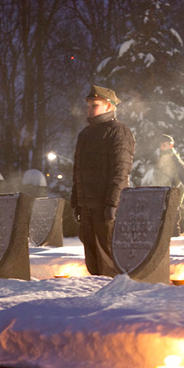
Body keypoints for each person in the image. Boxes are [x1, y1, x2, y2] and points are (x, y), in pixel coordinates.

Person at [71, 85, 135, 276]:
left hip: (105, 206)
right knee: (92, 259)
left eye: (94, 105)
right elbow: (77, 172)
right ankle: (95, 298)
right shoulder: (85, 135)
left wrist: (113, 203)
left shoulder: (118, 132)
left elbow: (120, 171)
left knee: (108, 258)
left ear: (109, 106)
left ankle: (111, 300)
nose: (89, 109)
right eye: (88, 105)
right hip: (87, 207)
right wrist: (76, 202)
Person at [152, 134, 184, 235]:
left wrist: (177, 201)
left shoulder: (176, 161)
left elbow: (181, 183)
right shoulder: (160, 160)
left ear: (171, 146)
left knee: (173, 226)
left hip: (171, 197)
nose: (162, 147)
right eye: (161, 145)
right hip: (161, 197)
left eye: (164, 145)